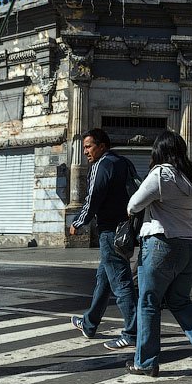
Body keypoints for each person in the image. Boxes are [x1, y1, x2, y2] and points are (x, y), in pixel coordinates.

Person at [124, 130, 192, 377]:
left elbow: (133, 205)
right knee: (179, 300)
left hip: (163, 244)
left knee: (149, 302)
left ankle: (146, 362)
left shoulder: (161, 174)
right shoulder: (190, 177)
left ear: (159, 151)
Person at [69, 128, 138, 351]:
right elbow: (137, 190)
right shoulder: (124, 162)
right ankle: (89, 324)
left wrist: (79, 222)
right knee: (103, 279)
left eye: (88, 147)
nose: (86, 152)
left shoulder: (101, 165)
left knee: (120, 281)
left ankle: (133, 331)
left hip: (110, 232)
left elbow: (92, 199)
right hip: (125, 229)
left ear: (101, 146)